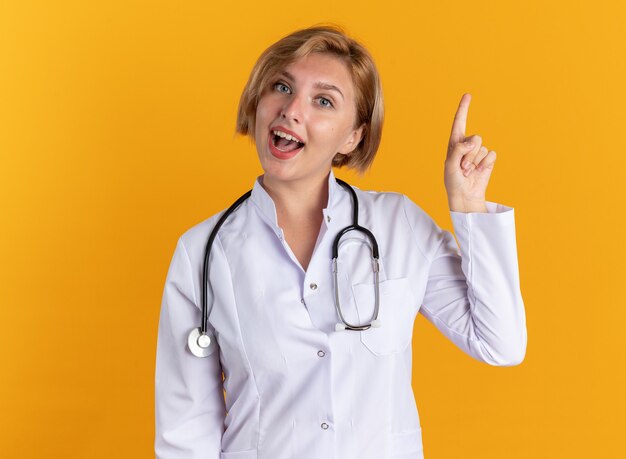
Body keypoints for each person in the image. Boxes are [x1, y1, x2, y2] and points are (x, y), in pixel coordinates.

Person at [154, 25, 527, 459]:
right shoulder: (202, 251)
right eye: (281, 86)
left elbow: (499, 343)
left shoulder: (397, 225)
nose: (291, 110)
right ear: (257, 102)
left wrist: (468, 205)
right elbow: (186, 431)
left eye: (323, 100)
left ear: (353, 137)